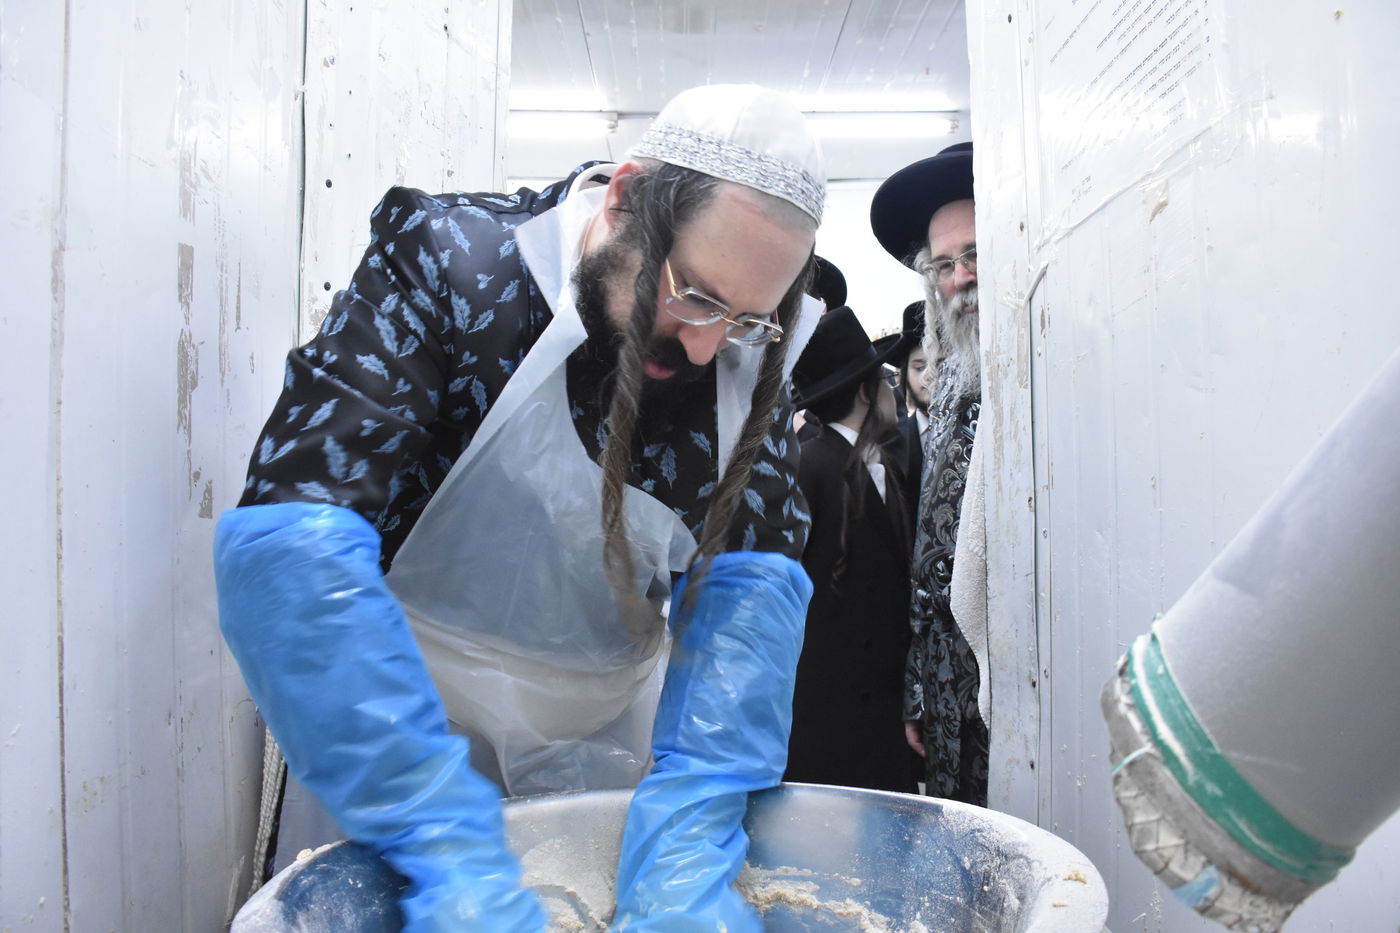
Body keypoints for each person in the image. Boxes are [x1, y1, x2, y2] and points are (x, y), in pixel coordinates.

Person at [213, 84, 827, 930]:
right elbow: (291, 554)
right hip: (386, 742)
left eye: (746, 319)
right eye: (693, 293)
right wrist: (443, 841)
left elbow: (745, 629)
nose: (705, 344)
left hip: (603, 752)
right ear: (624, 198)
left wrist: (685, 859)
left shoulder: (735, 365)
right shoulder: (449, 267)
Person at [870, 140, 989, 807]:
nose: (958, 279)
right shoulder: (948, 380)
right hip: (944, 688)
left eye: (975, 255)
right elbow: (930, 549)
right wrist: (919, 685)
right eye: (943, 263)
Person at [784, 307, 917, 793]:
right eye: (883, 382)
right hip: (830, 721)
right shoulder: (810, 469)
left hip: (878, 714)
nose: (892, 391)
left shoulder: (883, 463)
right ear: (866, 392)